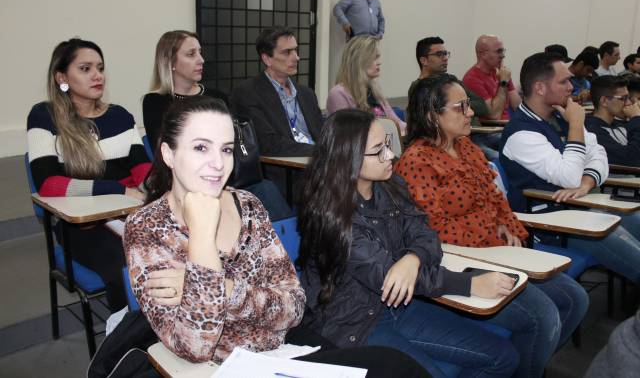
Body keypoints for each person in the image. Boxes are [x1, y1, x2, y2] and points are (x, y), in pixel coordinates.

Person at [124, 97, 430, 377]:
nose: (218, 164)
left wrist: (218, 288)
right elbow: (195, 347)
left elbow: (295, 307)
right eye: (201, 147)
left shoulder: (248, 205)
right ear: (168, 153)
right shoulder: (147, 228)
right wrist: (202, 236)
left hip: (286, 352)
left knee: (395, 367)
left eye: (227, 149)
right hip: (221, 369)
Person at [298, 108, 521, 377]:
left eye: (388, 144)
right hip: (354, 323)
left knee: (504, 356)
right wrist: (470, 284)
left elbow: (425, 233)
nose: (391, 155)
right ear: (349, 159)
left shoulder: (391, 184)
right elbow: (389, 277)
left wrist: (411, 258)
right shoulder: (331, 217)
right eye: (378, 150)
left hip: (398, 306)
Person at [396, 74, 590, 376]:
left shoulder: (466, 147)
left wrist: (511, 229)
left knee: (575, 299)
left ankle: (528, 357)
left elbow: (496, 201)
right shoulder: (417, 161)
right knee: (544, 316)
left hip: (499, 252)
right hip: (463, 264)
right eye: (461, 107)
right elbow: (432, 231)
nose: (471, 112)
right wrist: (491, 233)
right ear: (433, 115)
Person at [27, 38, 151, 312]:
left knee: (178, 248)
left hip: (130, 213)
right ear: (62, 77)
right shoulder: (44, 116)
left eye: (100, 67)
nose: (97, 75)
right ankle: (127, 341)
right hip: (81, 227)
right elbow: (48, 184)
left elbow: (143, 172)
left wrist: (168, 187)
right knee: (128, 265)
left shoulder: (119, 116)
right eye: (85, 68)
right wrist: (117, 189)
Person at [499, 52, 640, 285]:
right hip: (551, 226)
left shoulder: (559, 115)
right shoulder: (521, 133)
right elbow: (570, 177)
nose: (571, 87)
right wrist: (576, 124)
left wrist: (587, 183)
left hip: (578, 210)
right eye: (563, 81)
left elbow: (599, 154)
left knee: (635, 221)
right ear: (540, 88)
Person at [142, 30, 292, 221]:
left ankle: (285, 246)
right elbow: (168, 153)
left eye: (200, 52)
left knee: (266, 189)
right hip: (181, 183)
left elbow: (232, 143)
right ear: (170, 62)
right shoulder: (155, 102)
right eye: (191, 54)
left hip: (227, 177)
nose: (201, 59)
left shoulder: (217, 97)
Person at [231, 26, 323, 157]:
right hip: (284, 168)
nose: (296, 57)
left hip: (319, 164)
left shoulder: (306, 94)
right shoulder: (248, 93)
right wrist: (320, 152)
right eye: (287, 52)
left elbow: (323, 134)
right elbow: (267, 143)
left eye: (296, 50)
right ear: (267, 59)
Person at [411, 36, 498, 159]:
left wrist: (458, 103)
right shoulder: (419, 89)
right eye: (439, 54)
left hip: (473, 136)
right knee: (498, 159)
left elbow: (482, 106)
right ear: (424, 60)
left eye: (446, 54)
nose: (445, 58)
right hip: (463, 138)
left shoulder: (452, 82)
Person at [327, 35, 405, 134]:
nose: (379, 62)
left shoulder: (374, 90)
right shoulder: (338, 93)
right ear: (360, 61)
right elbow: (346, 135)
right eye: (374, 58)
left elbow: (397, 123)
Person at [585, 75, 640, 166]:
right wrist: (636, 119)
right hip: (623, 178)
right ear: (604, 101)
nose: (629, 103)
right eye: (623, 98)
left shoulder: (621, 124)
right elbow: (633, 159)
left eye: (628, 98)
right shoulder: (591, 132)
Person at [463, 35, 521, 120]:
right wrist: (503, 82)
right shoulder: (472, 79)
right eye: (498, 51)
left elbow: (518, 107)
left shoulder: (502, 72)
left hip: (507, 126)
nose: (503, 56)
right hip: (491, 130)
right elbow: (494, 116)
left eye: (503, 51)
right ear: (483, 54)